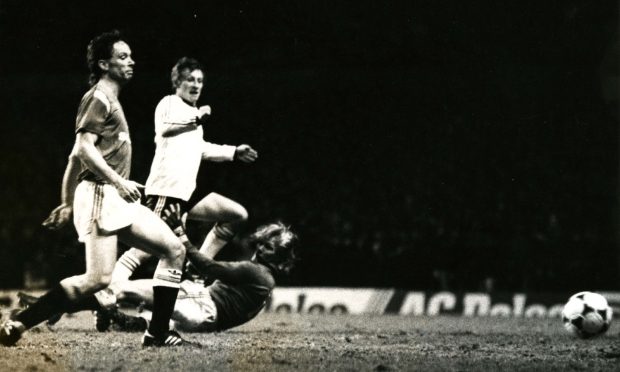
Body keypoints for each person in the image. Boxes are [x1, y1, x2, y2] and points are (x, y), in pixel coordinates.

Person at [0, 30, 187, 347]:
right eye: (123, 57)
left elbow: (74, 158)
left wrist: (67, 202)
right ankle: (18, 322)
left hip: (110, 197)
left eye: (130, 56)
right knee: (97, 279)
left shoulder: (110, 99)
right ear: (104, 64)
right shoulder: (99, 98)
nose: (131, 62)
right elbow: (84, 149)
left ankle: (157, 333)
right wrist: (117, 181)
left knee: (174, 250)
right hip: (103, 193)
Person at [99, 56, 258, 304]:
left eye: (200, 81)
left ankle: (196, 273)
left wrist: (233, 151)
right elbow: (165, 128)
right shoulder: (169, 103)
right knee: (148, 251)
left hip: (187, 194)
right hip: (166, 192)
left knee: (236, 215)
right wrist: (197, 118)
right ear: (177, 82)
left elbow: (200, 148)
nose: (196, 85)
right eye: (190, 80)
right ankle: (106, 294)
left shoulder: (193, 115)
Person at [102, 204, 297, 333]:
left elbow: (208, 267)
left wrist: (180, 233)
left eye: (268, 247)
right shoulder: (267, 282)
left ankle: (77, 300)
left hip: (201, 304)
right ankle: (130, 322)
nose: (261, 248)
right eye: (262, 243)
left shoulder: (254, 271)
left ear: (280, 256)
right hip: (206, 322)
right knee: (151, 319)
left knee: (120, 289)